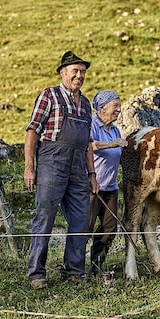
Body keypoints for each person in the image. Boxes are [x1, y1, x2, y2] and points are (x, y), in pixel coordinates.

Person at [24, 51, 99, 289]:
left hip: (78, 166)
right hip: (51, 163)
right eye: (75, 71)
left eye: (83, 72)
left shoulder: (86, 104)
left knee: (80, 218)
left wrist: (92, 174)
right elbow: (32, 131)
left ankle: (74, 271)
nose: (79, 75)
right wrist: (30, 168)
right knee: (44, 217)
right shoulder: (49, 95)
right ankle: (37, 273)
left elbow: (87, 141)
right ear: (63, 72)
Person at [87, 90, 128, 275]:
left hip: (110, 187)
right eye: (115, 106)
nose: (119, 110)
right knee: (84, 228)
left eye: (119, 106)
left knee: (109, 228)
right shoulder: (92, 124)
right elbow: (91, 146)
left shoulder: (115, 130)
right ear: (102, 108)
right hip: (92, 186)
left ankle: (96, 267)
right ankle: (74, 269)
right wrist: (113, 144)